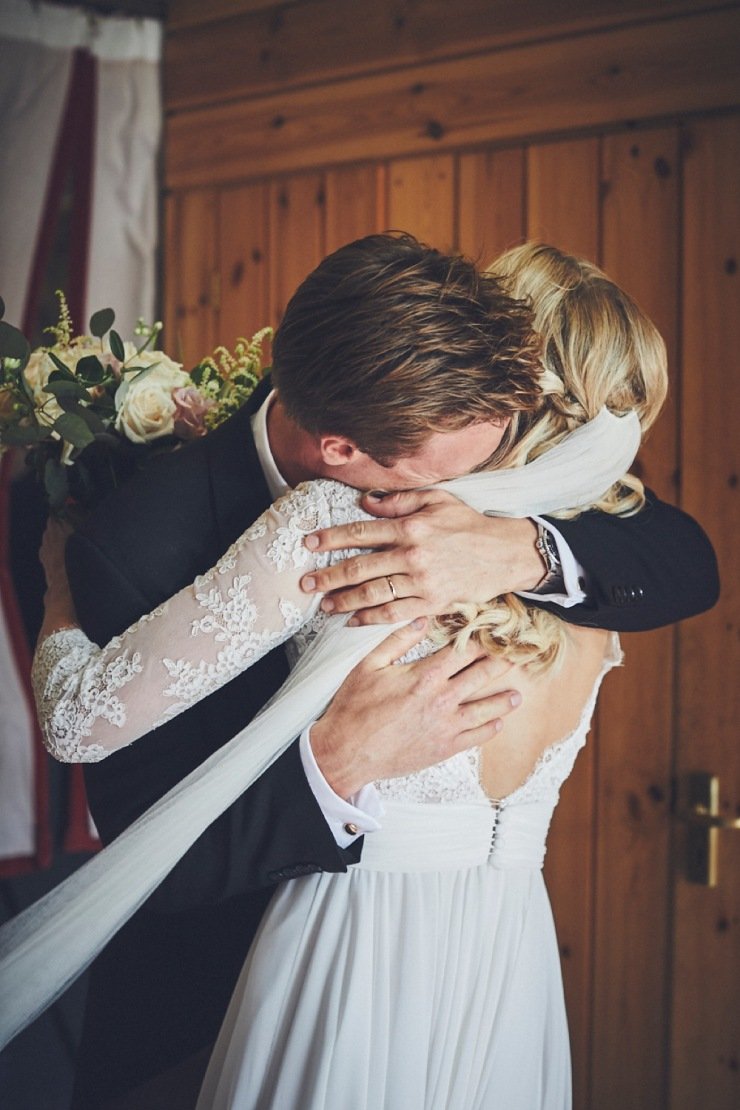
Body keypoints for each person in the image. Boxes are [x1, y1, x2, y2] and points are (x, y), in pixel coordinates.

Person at [32, 234, 717, 1107]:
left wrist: (523, 551)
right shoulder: (142, 535)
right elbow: (142, 846)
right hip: (347, 973)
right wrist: (333, 766)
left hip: (425, 958)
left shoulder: (539, 535)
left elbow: (690, 559)